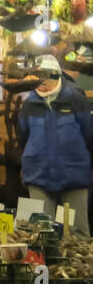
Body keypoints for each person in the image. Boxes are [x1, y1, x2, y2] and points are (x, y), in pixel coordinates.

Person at [18, 54, 93, 235]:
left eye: (48, 75)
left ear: (57, 75)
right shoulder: (29, 105)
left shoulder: (76, 100)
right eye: (39, 76)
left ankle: (81, 264)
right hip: (38, 175)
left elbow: (89, 135)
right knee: (39, 233)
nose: (43, 81)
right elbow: (22, 137)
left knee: (78, 233)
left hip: (74, 175)